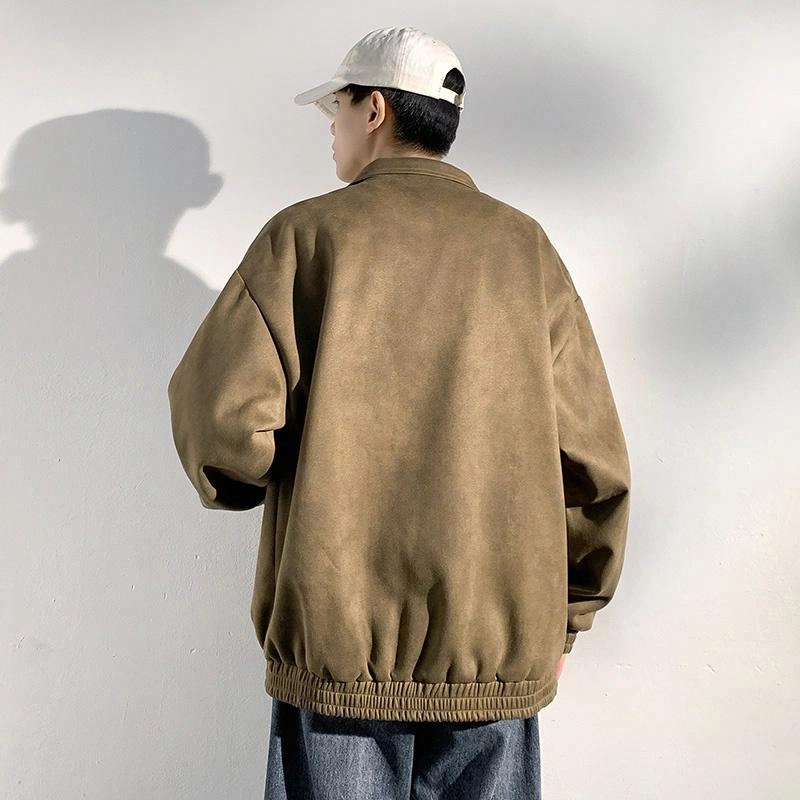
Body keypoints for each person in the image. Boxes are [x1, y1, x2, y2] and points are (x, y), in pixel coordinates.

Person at [167, 25, 631, 800]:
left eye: (337, 110)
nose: (332, 129)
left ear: (375, 109)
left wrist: (264, 474)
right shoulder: (525, 250)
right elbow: (593, 463)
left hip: (340, 652)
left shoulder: (303, 238)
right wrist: (566, 617)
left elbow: (222, 426)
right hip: (494, 656)